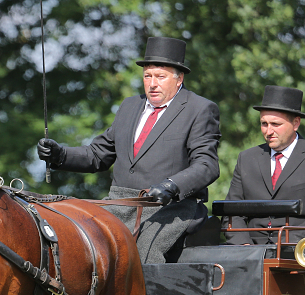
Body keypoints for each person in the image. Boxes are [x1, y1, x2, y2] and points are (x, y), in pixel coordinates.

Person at [37, 36, 221, 263]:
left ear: (179, 78)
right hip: (118, 205)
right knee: (79, 247)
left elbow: (207, 165)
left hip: (171, 208)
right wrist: (60, 155)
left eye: (160, 77)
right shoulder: (129, 106)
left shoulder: (199, 109)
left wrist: (171, 186)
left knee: (140, 257)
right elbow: (97, 155)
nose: (152, 83)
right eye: (147, 76)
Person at [225, 85, 305, 266]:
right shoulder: (247, 158)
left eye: (276, 124)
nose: (268, 131)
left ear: (296, 123)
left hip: (303, 252)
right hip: (250, 255)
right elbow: (231, 212)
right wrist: (245, 247)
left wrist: (282, 246)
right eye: (264, 124)